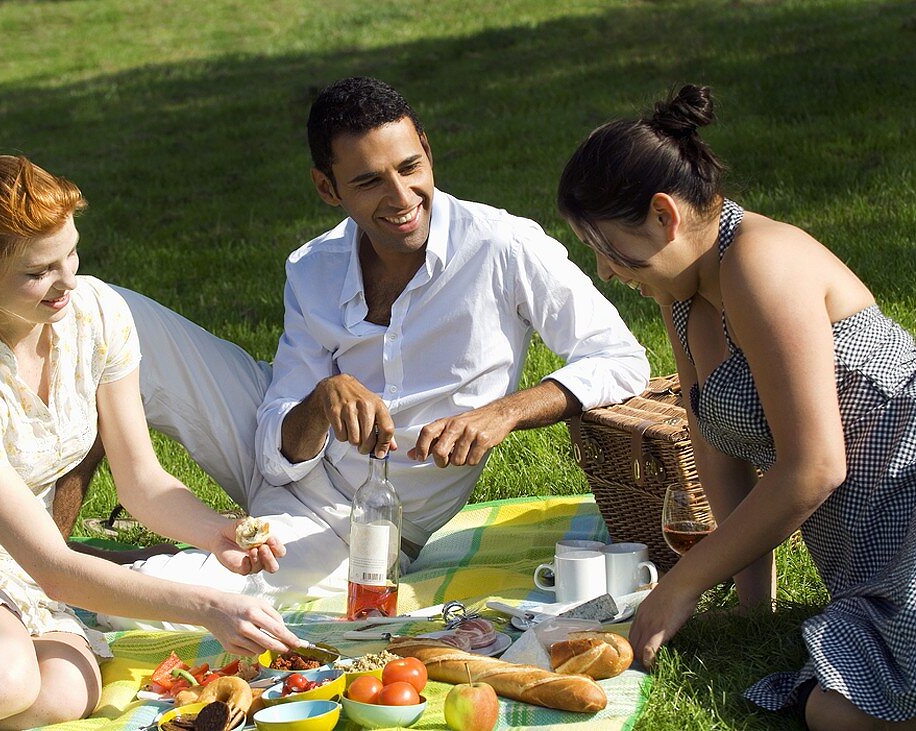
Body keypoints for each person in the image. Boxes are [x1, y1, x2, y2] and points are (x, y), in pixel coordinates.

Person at [72, 75, 650, 620]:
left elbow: (621, 358)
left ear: (427, 149)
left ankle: (53, 579)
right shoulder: (313, 266)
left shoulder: (503, 247)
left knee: (170, 599)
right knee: (94, 308)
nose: (401, 197)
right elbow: (278, 447)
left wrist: (505, 412)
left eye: (410, 167)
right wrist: (323, 401)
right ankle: (35, 538)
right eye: (369, 181)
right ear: (327, 187)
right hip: (275, 450)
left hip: (363, 526)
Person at [0, 156, 301, 731]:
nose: (68, 282)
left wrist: (216, 532)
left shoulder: (98, 313)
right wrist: (206, 607)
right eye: (39, 271)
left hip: (13, 553)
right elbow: (54, 568)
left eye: (70, 253)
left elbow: (143, 481)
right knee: (1, 679)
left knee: (64, 695)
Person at [556, 84, 916, 729]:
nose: (608, 272)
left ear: (664, 216)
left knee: (840, 712)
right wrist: (754, 604)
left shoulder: (761, 262)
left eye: (609, 248)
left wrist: (681, 583)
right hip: (870, 561)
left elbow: (814, 467)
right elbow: (715, 448)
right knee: (834, 709)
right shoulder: (685, 292)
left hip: (905, 523)